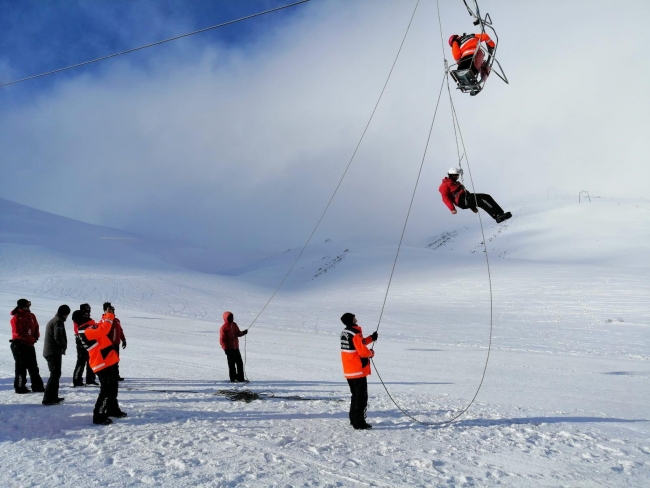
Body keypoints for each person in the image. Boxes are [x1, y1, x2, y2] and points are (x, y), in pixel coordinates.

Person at [78, 303, 126, 425]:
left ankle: (112, 409)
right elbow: (104, 329)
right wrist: (108, 315)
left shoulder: (90, 327)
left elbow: (102, 324)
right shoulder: (86, 330)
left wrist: (107, 314)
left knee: (112, 388)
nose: (88, 314)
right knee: (106, 390)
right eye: (85, 314)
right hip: (102, 363)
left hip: (108, 361)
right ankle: (98, 415)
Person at [339, 313, 378, 430]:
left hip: (349, 370)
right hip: (357, 370)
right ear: (351, 320)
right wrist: (371, 353)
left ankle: (354, 419)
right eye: (354, 317)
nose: (356, 318)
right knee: (361, 398)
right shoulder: (355, 333)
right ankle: (359, 423)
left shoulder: (346, 332)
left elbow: (358, 344)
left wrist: (371, 338)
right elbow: (362, 352)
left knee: (355, 396)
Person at [439, 167, 512, 223]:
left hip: (466, 198)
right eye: (456, 176)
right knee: (481, 200)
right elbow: (445, 198)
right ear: (451, 175)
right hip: (461, 201)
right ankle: (497, 216)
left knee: (486, 196)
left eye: (457, 175)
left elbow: (467, 195)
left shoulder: (456, 183)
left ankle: (500, 213)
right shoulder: (444, 185)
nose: (457, 177)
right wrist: (452, 209)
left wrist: (472, 207)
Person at [9, 298, 44, 394]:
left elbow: (36, 326)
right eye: (26, 306)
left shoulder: (31, 316)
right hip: (19, 345)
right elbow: (18, 333)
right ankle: (20, 387)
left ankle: (37, 386)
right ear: (21, 306)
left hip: (29, 344)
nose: (28, 307)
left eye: (29, 305)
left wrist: (36, 336)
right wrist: (31, 339)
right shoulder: (16, 318)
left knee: (33, 367)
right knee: (21, 368)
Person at [42, 305, 70, 405]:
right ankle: (48, 399)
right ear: (65, 314)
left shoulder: (55, 320)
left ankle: (53, 396)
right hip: (53, 352)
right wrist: (63, 346)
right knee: (54, 374)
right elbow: (57, 336)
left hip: (52, 351)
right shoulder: (58, 321)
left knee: (56, 374)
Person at [72, 304, 98, 387]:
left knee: (91, 360)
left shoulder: (87, 318)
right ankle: (77, 380)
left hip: (89, 339)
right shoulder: (78, 317)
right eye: (87, 308)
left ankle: (90, 379)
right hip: (81, 339)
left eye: (89, 308)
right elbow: (77, 328)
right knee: (81, 360)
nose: (88, 310)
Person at [219, 311, 248, 383]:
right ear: (226, 318)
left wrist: (243, 333)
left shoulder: (234, 325)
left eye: (232, 317)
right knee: (232, 365)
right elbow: (222, 339)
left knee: (240, 363)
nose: (231, 318)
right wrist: (225, 349)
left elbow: (238, 333)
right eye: (229, 317)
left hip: (236, 348)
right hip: (229, 349)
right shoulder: (223, 327)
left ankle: (241, 378)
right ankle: (233, 379)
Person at [106, 302, 127, 381]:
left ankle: (116, 375)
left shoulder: (116, 320)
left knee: (116, 360)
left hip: (116, 343)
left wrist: (123, 339)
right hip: (109, 344)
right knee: (109, 360)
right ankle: (109, 376)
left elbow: (120, 330)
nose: (113, 312)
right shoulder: (106, 320)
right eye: (111, 310)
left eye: (113, 310)